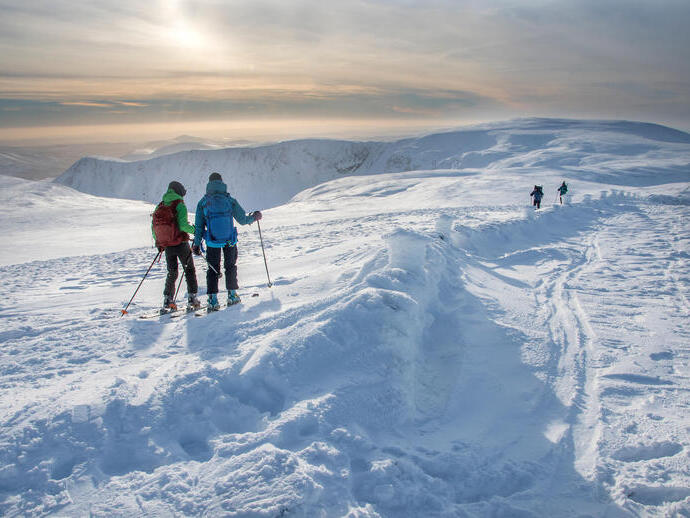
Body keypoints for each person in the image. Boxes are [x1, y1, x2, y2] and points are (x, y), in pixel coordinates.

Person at [192, 172, 262, 310]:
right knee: (230, 266)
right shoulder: (229, 200)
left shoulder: (203, 202)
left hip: (212, 241)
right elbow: (242, 220)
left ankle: (212, 300)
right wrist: (254, 217)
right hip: (230, 240)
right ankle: (232, 295)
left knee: (212, 269)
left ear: (209, 184)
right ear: (222, 182)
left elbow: (199, 227)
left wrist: (196, 243)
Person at [152, 181, 201, 312]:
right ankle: (192, 298)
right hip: (180, 243)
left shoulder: (161, 205)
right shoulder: (179, 204)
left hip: (167, 245)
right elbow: (183, 226)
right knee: (189, 270)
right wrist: (196, 231)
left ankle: (168, 300)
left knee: (172, 272)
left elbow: (154, 227)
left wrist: (159, 242)